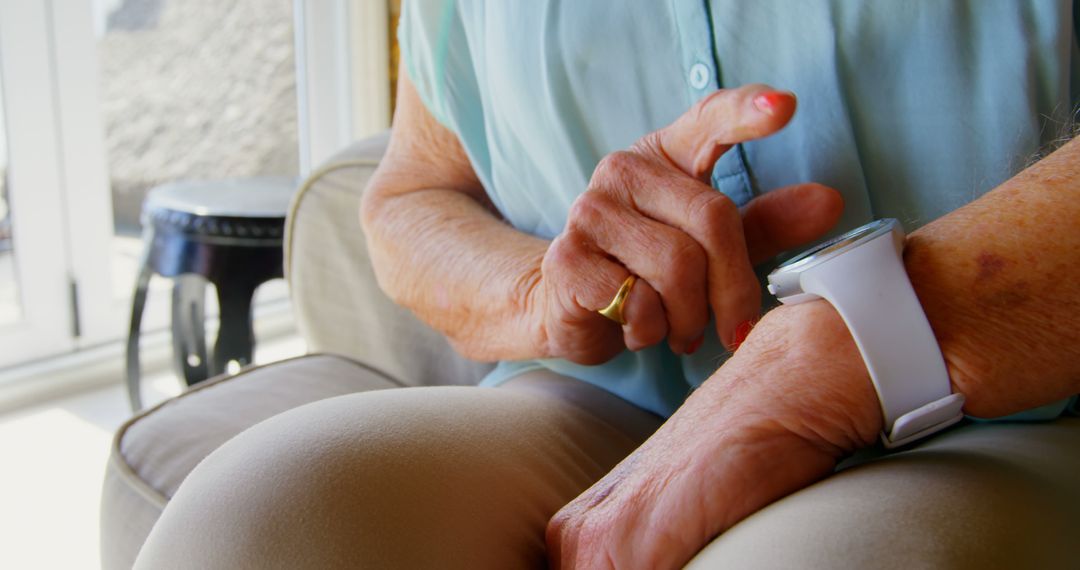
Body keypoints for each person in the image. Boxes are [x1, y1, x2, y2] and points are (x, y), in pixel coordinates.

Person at [134, 1, 1080, 568]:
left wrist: (840, 347)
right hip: (600, 402)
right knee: (255, 524)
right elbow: (412, 192)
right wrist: (541, 289)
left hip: (1004, 413)